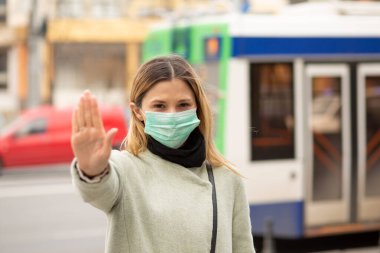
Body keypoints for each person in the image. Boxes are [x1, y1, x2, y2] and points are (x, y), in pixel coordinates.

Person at [71, 55, 255, 253]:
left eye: (183, 105)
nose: (172, 115)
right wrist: (92, 171)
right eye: (160, 106)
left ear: (198, 108)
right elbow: (100, 191)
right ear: (138, 112)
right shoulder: (125, 169)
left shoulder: (227, 178)